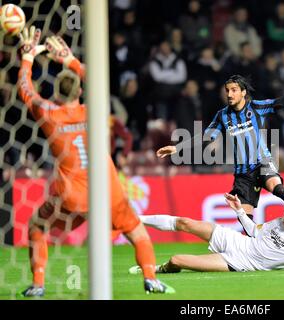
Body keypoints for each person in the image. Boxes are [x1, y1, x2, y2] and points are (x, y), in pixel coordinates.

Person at [17, 27, 174, 296]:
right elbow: (99, 80)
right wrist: (69, 60)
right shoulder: (96, 110)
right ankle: (151, 280)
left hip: (72, 197)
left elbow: (25, 90)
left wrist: (28, 57)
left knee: (37, 226)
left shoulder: (49, 113)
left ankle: (38, 285)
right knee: (137, 233)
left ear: (56, 92)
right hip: (107, 190)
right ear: (80, 90)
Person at [156, 74, 284, 230]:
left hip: (262, 162)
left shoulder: (256, 107)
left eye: (234, 90)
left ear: (243, 92)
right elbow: (206, 136)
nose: (229, 94)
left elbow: (283, 100)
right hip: (243, 173)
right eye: (227, 90)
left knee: (277, 188)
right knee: (246, 222)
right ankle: (259, 250)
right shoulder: (222, 115)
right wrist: (178, 148)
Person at [129, 194, 284, 274]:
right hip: (238, 241)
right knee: (186, 222)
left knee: (176, 260)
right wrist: (238, 210)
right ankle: (137, 218)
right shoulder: (278, 222)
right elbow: (254, 231)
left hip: (239, 261)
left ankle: (156, 269)